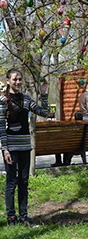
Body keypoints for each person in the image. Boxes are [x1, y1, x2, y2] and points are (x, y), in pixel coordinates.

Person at [0, 68, 51, 226]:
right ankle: (11, 217)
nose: (18, 82)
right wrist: (5, 149)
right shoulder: (3, 101)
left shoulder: (26, 99)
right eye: (15, 79)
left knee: (24, 181)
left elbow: (45, 112)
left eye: (20, 79)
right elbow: (1, 126)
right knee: (11, 182)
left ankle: (23, 215)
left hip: (25, 146)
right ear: (8, 80)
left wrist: (43, 94)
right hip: (11, 148)